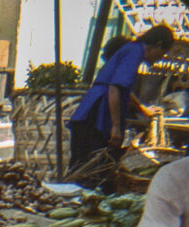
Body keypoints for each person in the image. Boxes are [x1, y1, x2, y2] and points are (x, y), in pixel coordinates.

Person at [68, 25, 173, 177]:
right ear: (158, 45)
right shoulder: (135, 52)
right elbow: (114, 88)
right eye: (162, 53)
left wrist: (142, 109)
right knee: (88, 171)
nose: (160, 59)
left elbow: (124, 89)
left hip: (91, 114)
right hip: (94, 115)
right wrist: (116, 127)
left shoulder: (132, 50)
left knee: (84, 169)